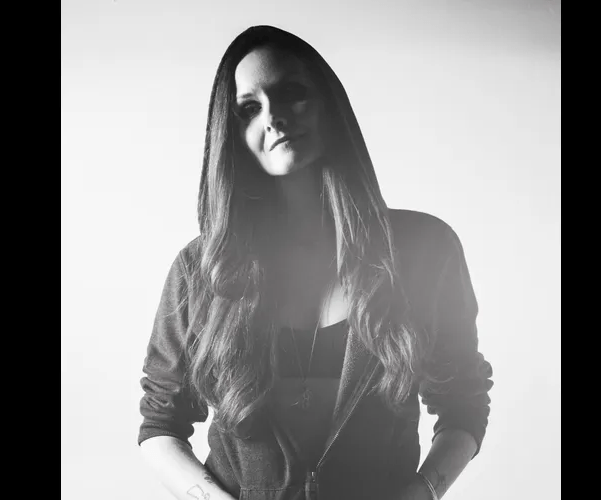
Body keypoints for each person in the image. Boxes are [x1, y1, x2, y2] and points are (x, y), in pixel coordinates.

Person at [137, 25, 493, 500]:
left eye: (292, 93)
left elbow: (464, 403)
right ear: (232, 135)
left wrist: (421, 493)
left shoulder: (425, 249)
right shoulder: (201, 269)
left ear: (330, 105)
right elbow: (160, 423)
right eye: (249, 108)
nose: (274, 117)